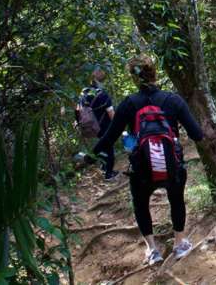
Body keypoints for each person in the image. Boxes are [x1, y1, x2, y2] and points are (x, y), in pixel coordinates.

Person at [94, 55, 204, 266]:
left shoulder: (128, 104)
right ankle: (180, 244)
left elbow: (108, 138)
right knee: (177, 200)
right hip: (173, 168)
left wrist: (89, 158)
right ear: (155, 73)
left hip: (142, 170)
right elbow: (197, 134)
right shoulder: (173, 100)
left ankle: (153, 250)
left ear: (134, 78)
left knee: (141, 204)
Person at [75, 69, 118, 180]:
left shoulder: (84, 92)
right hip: (104, 126)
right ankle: (109, 174)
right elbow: (111, 114)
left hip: (91, 125)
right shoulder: (103, 95)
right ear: (102, 81)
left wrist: (77, 121)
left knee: (103, 146)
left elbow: (78, 108)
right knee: (109, 149)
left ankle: (103, 167)